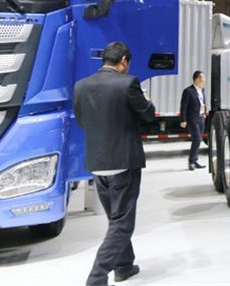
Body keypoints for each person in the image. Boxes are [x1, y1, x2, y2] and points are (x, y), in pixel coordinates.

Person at [74, 42, 156, 285]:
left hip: (97, 163)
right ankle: (97, 277)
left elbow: (81, 121)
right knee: (122, 224)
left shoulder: (81, 86)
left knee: (115, 219)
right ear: (123, 61)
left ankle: (124, 265)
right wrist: (147, 101)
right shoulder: (128, 83)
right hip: (123, 162)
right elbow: (148, 115)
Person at [180, 70, 207, 170]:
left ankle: (195, 160)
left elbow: (203, 102)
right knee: (197, 139)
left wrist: (205, 113)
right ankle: (191, 161)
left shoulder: (201, 90)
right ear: (197, 79)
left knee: (199, 140)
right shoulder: (188, 91)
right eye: (203, 77)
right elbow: (184, 106)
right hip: (192, 118)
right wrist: (183, 119)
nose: (204, 80)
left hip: (201, 118)